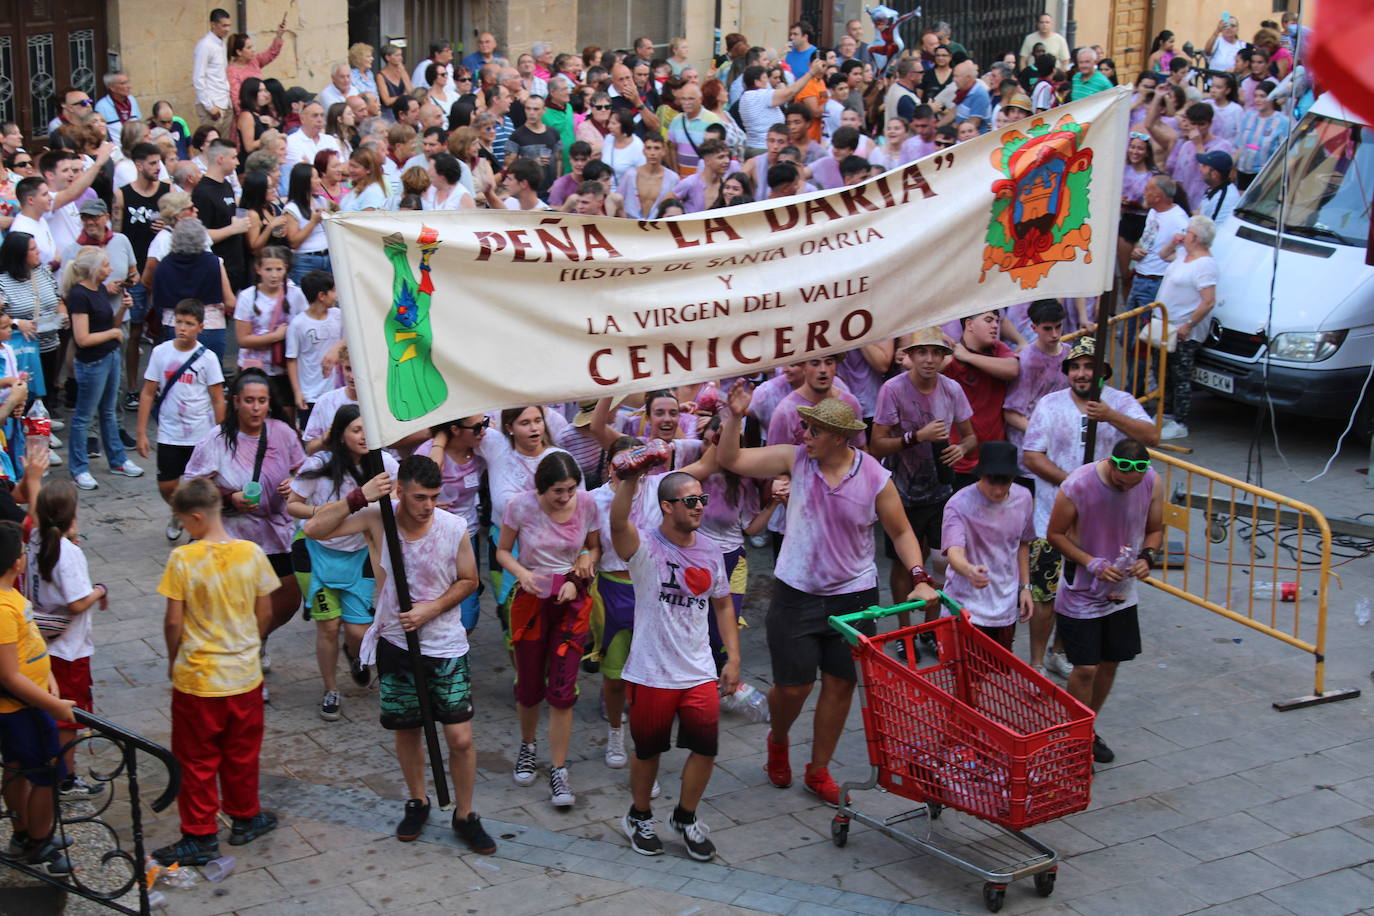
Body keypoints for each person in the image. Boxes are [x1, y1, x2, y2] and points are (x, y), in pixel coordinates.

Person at [719, 390, 938, 805]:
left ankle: (819, 770)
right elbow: (733, 460)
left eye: (814, 429)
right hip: (796, 594)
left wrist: (919, 577)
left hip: (854, 597)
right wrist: (733, 418)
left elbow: (902, 531)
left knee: (840, 685)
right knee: (793, 689)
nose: (805, 434)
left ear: (840, 437)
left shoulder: (874, 475)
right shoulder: (795, 459)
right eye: (806, 426)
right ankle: (778, 739)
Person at [610, 464, 740, 862]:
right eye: (691, 501)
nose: (700, 506)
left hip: (698, 668)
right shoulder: (644, 545)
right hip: (651, 670)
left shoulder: (712, 549)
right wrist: (630, 479)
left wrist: (732, 656)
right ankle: (639, 816)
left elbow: (722, 604)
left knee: (706, 748)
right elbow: (616, 525)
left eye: (703, 499)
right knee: (648, 751)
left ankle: (684, 818)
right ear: (667, 506)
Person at [151, 477, 279, 866]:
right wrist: (249, 646)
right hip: (243, 676)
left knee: (196, 759)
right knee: (242, 753)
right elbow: (266, 611)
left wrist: (174, 660)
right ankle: (245, 816)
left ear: (194, 517)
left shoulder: (183, 560)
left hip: (199, 679)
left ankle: (200, 834)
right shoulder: (252, 553)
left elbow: (174, 622)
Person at [1023, 338, 1158, 680]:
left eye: (1090, 367)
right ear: (1067, 372)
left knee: (1089, 600)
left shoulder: (1121, 402)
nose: (1082, 374)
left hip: (1106, 533)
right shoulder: (1050, 405)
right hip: (1053, 519)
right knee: (1046, 597)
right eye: (1076, 367)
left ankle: (1060, 652)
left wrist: (1110, 416)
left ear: (1104, 373)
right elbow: (1032, 455)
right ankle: (1037, 662)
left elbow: (1151, 436)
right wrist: (1076, 483)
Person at [1046, 438, 1163, 763]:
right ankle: (1073, 736)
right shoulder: (1078, 485)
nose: (1127, 489)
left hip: (1120, 591)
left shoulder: (1151, 480)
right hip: (1081, 590)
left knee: (1110, 663)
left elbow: (1155, 530)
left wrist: (1148, 557)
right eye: (1120, 483)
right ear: (1111, 466)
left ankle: (1087, 729)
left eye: (1133, 484)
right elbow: (1054, 534)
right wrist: (1091, 562)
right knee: (1085, 668)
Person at [496, 452, 599, 809]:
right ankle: (527, 746)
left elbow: (594, 547)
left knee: (562, 686)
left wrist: (582, 565)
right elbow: (502, 551)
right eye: (558, 490)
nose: (565, 497)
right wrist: (522, 573)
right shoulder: (520, 507)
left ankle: (558, 767)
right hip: (531, 600)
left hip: (571, 600)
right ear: (542, 487)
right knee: (528, 684)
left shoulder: (586, 504)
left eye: (571, 489)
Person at [183, 369, 305, 644]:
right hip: (232, 535)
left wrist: (294, 483)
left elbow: (304, 469)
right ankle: (242, 649)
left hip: (276, 534)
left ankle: (255, 641)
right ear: (236, 401)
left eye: (261, 401)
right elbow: (190, 484)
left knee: (288, 598)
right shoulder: (217, 439)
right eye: (249, 400)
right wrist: (229, 497)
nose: (256, 407)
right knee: (236, 600)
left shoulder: (282, 432)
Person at [870, 328, 975, 625]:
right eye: (923, 353)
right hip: (902, 492)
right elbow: (876, 444)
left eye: (936, 353)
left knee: (943, 561)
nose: (929, 359)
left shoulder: (952, 388)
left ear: (944, 357)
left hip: (941, 489)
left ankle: (931, 627)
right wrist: (915, 437)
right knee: (903, 564)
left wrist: (960, 449)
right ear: (910, 356)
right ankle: (905, 631)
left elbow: (970, 437)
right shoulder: (892, 389)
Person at [0, 517, 77, 876]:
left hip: (30, 702)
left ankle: (26, 833)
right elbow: (9, 674)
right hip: (21, 709)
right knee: (46, 772)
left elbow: (28, 643)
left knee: (19, 767)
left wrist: (46, 673)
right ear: (16, 561)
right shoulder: (1, 609)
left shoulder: (11, 594)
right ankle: (37, 841)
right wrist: (53, 705)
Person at [27, 477, 111, 800]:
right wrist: (99, 591)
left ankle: (55, 769)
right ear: (71, 514)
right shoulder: (67, 553)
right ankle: (65, 777)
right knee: (68, 716)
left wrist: (34, 476)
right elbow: (77, 603)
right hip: (69, 649)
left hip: (45, 644)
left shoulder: (36, 539)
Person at [135, 299, 225, 540]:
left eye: (189, 323)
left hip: (200, 432)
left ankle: (197, 528)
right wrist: (142, 432)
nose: (182, 328)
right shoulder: (160, 353)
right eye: (179, 322)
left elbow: (217, 398)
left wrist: (221, 433)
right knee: (166, 485)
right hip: (169, 432)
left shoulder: (208, 359)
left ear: (200, 327)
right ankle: (179, 510)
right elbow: (147, 392)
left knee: (200, 487)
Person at [60, 246, 142, 490]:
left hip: (109, 356)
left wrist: (123, 309)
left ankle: (117, 460)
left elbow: (108, 324)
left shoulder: (99, 290)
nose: (110, 269)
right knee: (84, 416)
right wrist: (114, 333)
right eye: (106, 265)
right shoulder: (79, 295)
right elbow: (82, 338)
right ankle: (78, 468)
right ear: (94, 269)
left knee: (108, 412)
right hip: (92, 362)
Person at [940, 441, 1035, 650]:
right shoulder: (959, 504)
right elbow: (954, 551)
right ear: (981, 474)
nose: (999, 490)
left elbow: (1022, 544)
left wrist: (1025, 588)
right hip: (965, 607)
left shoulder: (1024, 498)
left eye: (1006, 482)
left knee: (995, 676)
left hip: (1005, 606)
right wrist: (969, 570)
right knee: (965, 678)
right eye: (993, 481)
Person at [1158, 214, 1219, 440]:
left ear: (1195, 237)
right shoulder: (1184, 254)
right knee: (1162, 371)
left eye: (1187, 232)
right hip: (1165, 324)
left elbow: (1208, 301)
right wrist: (1173, 242)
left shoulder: (1205, 265)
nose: (1184, 235)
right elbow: (1163, 255)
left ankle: (1180, 421)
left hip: (1183, 330)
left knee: (1179, 375)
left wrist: (1189, 324)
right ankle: (1165, 413)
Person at [942, 310, 1018, 486]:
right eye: (989, 320)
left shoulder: (998, 349)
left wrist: (968, 357)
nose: (995, 326)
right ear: (969, 324)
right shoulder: (949, 356)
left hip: (995, 457)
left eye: (997, 321)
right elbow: (912, 363)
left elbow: (1012, 369)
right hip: (959, 458)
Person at [1002, 299, 1069, 481]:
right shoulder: (1026, 360)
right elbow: (1011, 413)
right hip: (1029, 450)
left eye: (1058, 327)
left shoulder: (1069, 355)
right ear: (1034, 328)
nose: (1055, 334)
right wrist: (1044, 433)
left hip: (1060, 445)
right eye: (1048, 328)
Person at [150, 217, 235, 360]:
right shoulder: (213, 262)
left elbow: (156, 300)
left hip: (175, 326)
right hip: (210, 325)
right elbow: (230, 302)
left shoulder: (164, 264)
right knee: (210, 376)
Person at [191, 140, 249, 291]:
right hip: (218, 268)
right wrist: (233, 229)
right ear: (220, 159)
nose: (237, 162)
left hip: (237, 265)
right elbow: (201, 235)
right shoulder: (202, 192)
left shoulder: (227, 185)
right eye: (234, 157)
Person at [284, 271, 341, 422]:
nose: (336, 295)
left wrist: (335, 349)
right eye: (333, 291)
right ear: (322, 296)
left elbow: (350, 338)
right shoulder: (297, 324)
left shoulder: (338, 315)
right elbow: (291, 359)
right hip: (311, 394)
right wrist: (297, 392)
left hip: (336, 390)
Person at [225, 21, 286, 121]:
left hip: (264, 111)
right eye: (249, 48)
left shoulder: (254, 61)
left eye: (252, 46)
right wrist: (249, 118)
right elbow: (236, 99)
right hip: (248, 116)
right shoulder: (232, 71)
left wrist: (279, 36)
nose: (253, 50)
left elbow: (271, 53)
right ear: (239, 52)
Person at [1233, 81, 1286, 190]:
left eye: (1262, 96)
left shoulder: (1283, 122)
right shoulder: (1248, 116)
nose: (1257, 100)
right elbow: (1239, 146)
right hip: (1242, 172)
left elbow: (1284, 154)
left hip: (1265, 176)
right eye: (1256, 96)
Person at [192, 9, 235, 135]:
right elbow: (198, 77)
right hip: (212, 104)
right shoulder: (205, 45)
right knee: (211, 144)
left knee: (223, 146)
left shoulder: (221, 43)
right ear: (213, 24)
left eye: (229, 25)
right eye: (224, 25)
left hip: (224, 102)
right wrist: (209, 107)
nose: (227, 29)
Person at [620, 134, 673, 219]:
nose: (652, 153)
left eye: (657, 148)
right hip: (631, 225)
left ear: (663, 151)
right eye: (648, 148)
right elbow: (619, 200)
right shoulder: (630, 175)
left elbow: (675, 207)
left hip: (659, 227)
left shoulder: (672, 178)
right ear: (643, 151)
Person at [1195, 150, 1237, 226]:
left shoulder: (1224, 199)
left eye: (1204, 166)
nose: (1200, 168)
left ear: (1214, 174)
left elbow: (1214, 231)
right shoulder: (1214, 188)